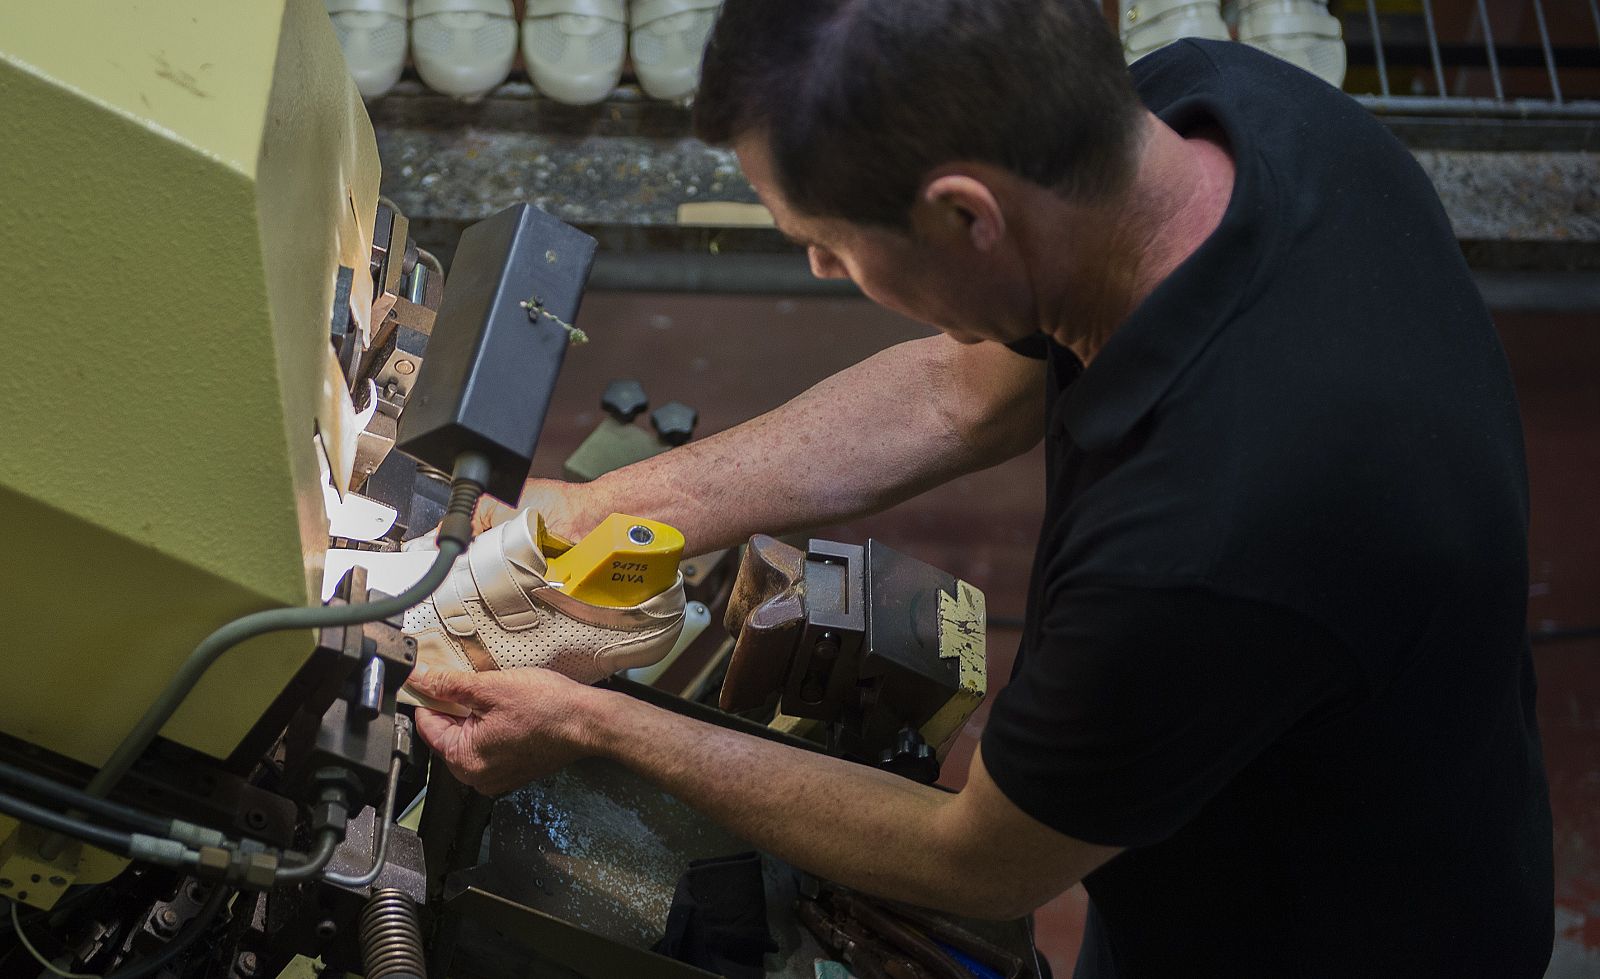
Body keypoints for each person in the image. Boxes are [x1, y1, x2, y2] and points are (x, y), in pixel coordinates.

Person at [407, 1, 1554, 974]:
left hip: (1316, 934)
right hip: (1281, 786)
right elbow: (957, 393)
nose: (818, 266)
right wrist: (612, 506)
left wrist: (593, 722)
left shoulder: (1208, 536)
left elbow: (980, 856)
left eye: (827, 240)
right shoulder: (1230, 110)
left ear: (966, 215)